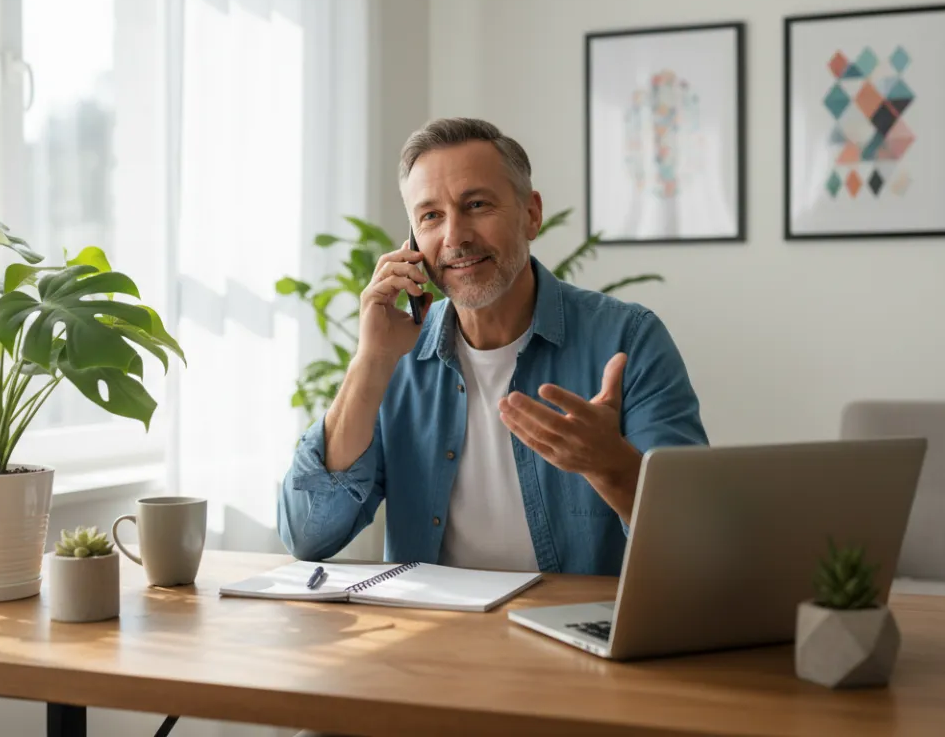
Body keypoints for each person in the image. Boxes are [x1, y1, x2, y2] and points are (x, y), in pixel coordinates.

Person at [278, 117, 707, 576]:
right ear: (412, 242)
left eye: (476, 204)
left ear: (531, 214)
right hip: (435, 636)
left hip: (575, 637)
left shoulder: (628, 339)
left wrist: (612, 467)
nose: (455, 237)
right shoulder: (395, 357)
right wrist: (370, 362)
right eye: (431, 216)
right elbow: (308, 534)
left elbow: (694, 541)